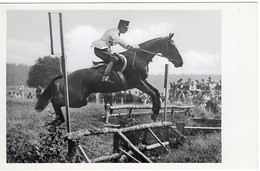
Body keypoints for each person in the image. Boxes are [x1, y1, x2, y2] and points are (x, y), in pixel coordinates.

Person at [91, 19, 140, 84]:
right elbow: (119, 41)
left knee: (117, 58)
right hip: (99, 49)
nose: (127, 30)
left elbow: (122, 44)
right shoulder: (114, 32)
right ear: (121, 26)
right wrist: (131, 46)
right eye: (125, 28)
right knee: (114, 59)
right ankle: (105, 77)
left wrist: (131, 48)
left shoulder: (117, 33)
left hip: (103, 49)